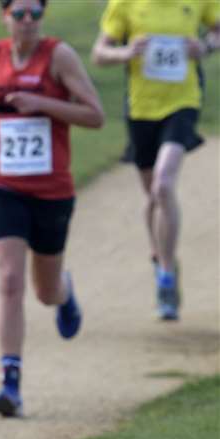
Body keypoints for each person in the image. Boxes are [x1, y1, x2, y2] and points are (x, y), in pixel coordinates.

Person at [0, 0, 105, 418]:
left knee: (45, 291)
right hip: (2, 184)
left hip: (51, 189)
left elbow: (96, 115)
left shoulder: (58, 56)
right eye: (18, 13)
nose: (27, 22)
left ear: (43, 16)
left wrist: (43, 104)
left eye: (34, 14)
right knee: (9, 279)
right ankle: (11, 381)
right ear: (3, 15)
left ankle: (65, 292)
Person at [92, 0, 220, 319]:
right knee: (153, 196)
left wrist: (204, 46)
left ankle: (165, 274)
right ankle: (162, 258)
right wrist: (127, 52)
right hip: (141, 110)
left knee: (164, 184)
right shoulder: (125, 4)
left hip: (183, 102)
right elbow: (99, 54)